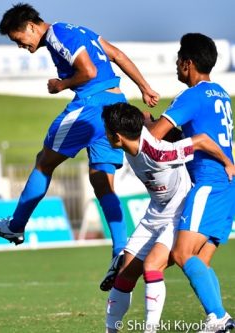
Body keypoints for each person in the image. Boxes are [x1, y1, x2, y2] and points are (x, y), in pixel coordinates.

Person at [0, 3, 159, 289]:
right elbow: (116, 54)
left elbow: (88, 72)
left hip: (91, 105)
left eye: (19, 39)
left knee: (44, 161)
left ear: (30, 26)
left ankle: (15, 226)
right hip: (115, 105)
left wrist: (61, 84)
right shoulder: (81, 31)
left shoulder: (56, 35)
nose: (20, 46)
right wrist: (144, 87)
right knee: (102, 182)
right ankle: (120, 250)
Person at [101, 103, 235, 333]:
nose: (104, 134)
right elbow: (142, 115)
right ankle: (110, 330)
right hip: (154, 212)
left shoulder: (160, 153)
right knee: (125, 273)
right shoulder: (134, 133)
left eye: (107, 131)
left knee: (152, 265)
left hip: (177, 214)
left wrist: (228, 162)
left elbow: (202, 140)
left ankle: (150, 330)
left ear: (118, 137)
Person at [148, 33, 235, 332]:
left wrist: (144, 125)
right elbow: (183, 132)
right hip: (227, 186)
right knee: (201, 259)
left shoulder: (191, 96)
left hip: (209, 185)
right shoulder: (221, 93)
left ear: (188, 63)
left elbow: (156, 136)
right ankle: (218, 320)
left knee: (182, 253)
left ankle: (219, 316)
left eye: (178, 60)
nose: (175, 65)